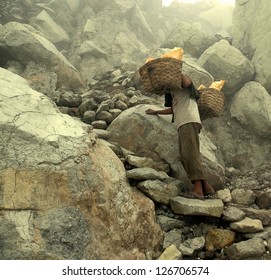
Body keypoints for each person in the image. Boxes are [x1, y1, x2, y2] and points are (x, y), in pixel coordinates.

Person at [145, 73, 215, 200]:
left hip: (189, 120)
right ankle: (207, 188)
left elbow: (188, 82)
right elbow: (173, 109)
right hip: (183, 123)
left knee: (190, 156)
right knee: (185, 156)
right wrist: (156, 111)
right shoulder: (173, 92)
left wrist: (176, 69)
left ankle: (198, 191)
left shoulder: (183, 85)